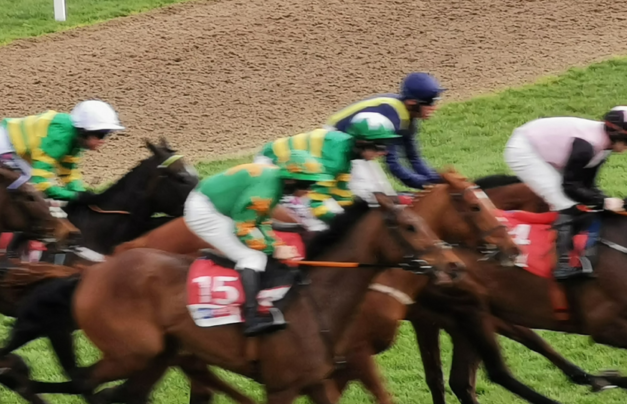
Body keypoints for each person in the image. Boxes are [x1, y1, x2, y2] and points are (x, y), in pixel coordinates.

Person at [184, 150, 331, 336]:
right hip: (204, 211)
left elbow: (260, 220)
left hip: (220, 204)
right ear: (292, 180)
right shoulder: (265, 192)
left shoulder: (275, 185)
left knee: (264, 247)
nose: (310, 190)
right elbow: (244, 228)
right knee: (252, 256)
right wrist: (273, 249)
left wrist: (276, 244)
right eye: (308, 184)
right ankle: (251, 317)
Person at [0, 99, 124, 257]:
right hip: (2, 145)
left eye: (107, 134)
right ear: (84, 131)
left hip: (17, 147)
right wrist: (75, 196)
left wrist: (81, 192)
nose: (103, 140)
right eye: (100, 134)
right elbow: (40, 184)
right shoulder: (59, 139)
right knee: (28, 191)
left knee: (33, 191)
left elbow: (68, 172)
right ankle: (8, 250)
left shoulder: (75, 139)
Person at [504, 107, 627, 279]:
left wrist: (605, 201)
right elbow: (570, 186)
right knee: (564, 202)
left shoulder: (604, 147)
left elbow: (586, 184)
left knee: (576, 200)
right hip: (524, 150)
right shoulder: (588, 146)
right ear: (617, 135)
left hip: (544, 147)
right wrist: (605, 202)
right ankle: (563, 264)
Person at [256, 112, 400, 230]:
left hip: (295, 167)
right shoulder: (334, 161)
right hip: (271, 164)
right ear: (362, 144)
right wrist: (343, 223)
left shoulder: (346, 153)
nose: (384, 152)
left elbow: (341, 194)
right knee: (314, 225)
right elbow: (315, 203)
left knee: (335, 214)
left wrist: (356, 215)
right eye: (380, 147)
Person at [326, 72, 445, 190]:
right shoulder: (392, 119)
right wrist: (426, 185)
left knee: (382, 190)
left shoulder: (407, 115)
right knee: (368, 193)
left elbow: (413, 157)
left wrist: (437, 180)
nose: (434, 107)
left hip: (357, 147)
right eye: (430, 102)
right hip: (336, 144)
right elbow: (393, 164)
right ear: (412, 103)